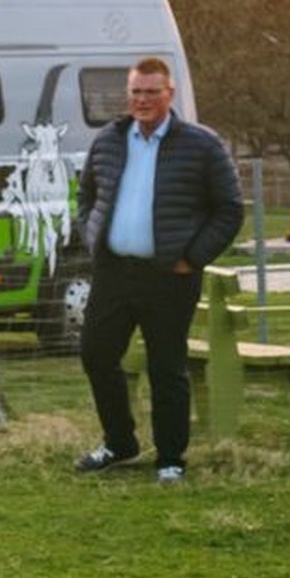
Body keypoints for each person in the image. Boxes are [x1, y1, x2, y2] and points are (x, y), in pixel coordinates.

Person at [72, 57, 243, 484]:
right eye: (136, 92)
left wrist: (193, 257)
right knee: (96, 354)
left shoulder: (202, 145)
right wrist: (94, 236)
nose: (143, 100)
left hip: (170, 275)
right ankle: (119, 443)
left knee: (167, 366)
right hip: (114, 272)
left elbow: (229, 210)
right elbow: (86, 196)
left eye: (152, 92)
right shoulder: (108, 140)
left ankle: (170, 457)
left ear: (170, 94)